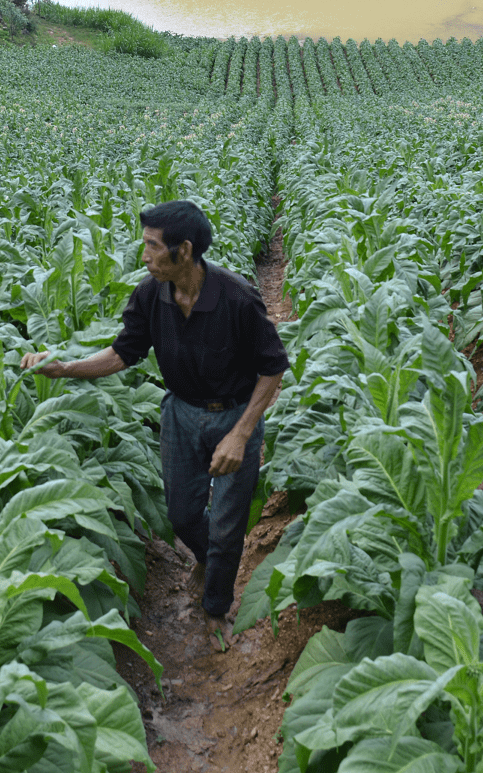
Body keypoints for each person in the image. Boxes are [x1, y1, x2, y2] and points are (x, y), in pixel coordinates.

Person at [21, 200, 287, 640]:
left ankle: (216, 607)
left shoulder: (235, 297)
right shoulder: (150, 294)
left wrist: (241, 435)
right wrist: (64, 367)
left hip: (234, 416)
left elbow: (274, 366)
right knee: (182, 516)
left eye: (151, 245)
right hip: (180, 413)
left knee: (226, 525)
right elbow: (124, 353)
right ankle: (210, 560)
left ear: (183, 250)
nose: (143, 255)